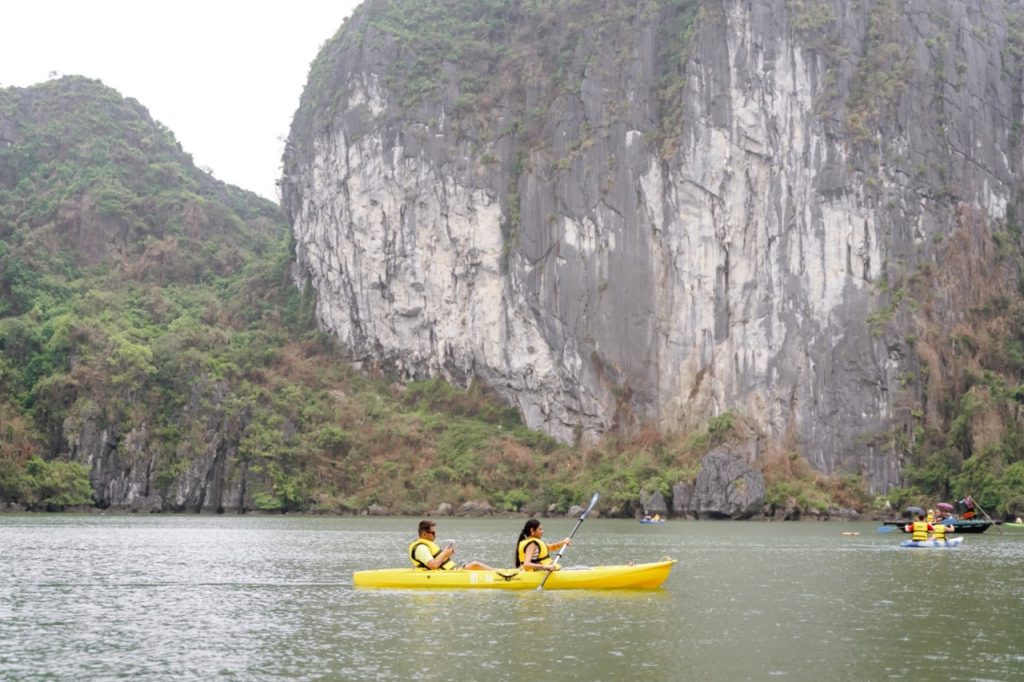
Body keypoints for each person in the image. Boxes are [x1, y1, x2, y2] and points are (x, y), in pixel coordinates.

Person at [409, 520, 494, 571]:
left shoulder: (425, 546)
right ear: (424, 534)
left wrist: (446, 553)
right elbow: (433, 565)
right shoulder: (421, 548)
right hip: (443, 575)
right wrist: (445, 554)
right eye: (433, 533)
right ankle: (501, 575)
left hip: (449, 572)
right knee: (475, 564)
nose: (435, 535)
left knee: (475, 566)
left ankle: (497, 572)